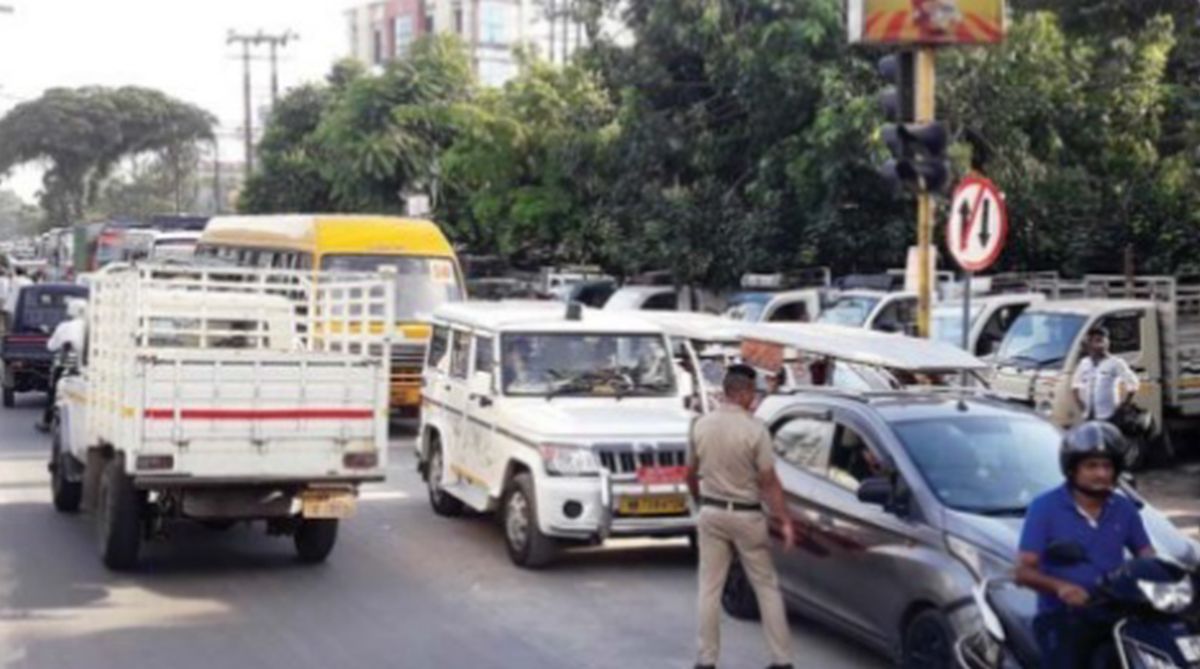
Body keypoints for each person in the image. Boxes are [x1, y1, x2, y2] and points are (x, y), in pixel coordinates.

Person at [1016, 421, 1154, 668]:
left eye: (1107, 466)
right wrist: (1062, 588)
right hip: (1062, 617)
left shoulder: (1124, 509)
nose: (1101, 474)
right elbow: (1023, 571)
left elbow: (1147, 555)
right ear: (1073, 470)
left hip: (1115, 612)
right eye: (1091, 466)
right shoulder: (1044, 508)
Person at [687, 363, 795, 669]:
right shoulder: (755, 430)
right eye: (753, 392)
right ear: (744, 392)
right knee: (766, 586)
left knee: (709, 588)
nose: (755, 398)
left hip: (712, 511)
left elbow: (689, 473)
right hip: (748, 516)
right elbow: (769, 481)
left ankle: (707, 661)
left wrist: (700, 501)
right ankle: (781, 660)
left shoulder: (701, 425)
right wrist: (784, 519)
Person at [36, 298, 86, 432]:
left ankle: (46, 422)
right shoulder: (92, 326)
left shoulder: (64, 326)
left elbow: (51, 346)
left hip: (66, 366)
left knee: (52, 392)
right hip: (88, 367)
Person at [1072, 326, 1139, 423]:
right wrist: (1080, 404)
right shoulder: (1084, 363)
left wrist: (1123, 405)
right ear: (1090, 343)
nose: (1101, 344)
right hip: (1088, 415)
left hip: (1108, 415)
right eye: (1097, 341)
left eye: (1103, 341)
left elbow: (1133, 384)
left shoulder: (1115, 363)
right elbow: (1075, 385)